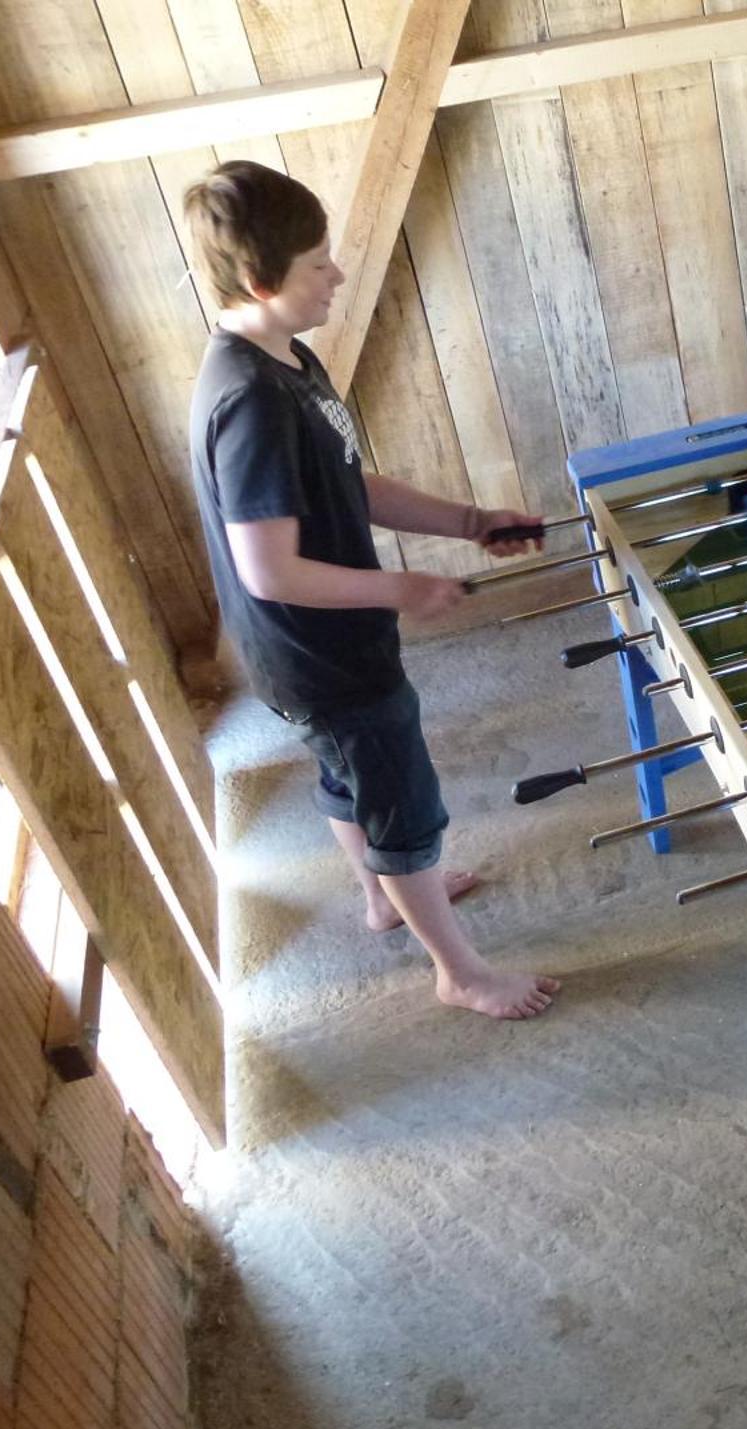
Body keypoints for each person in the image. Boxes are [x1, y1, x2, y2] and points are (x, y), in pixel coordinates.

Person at [184, 160, 560, 1018]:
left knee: (347, 772)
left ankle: (382, 898)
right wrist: (399, 590)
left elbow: (349, 482)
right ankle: (459, 973)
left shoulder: (287, 360)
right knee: (400, 800)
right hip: (321, 656)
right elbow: (268, 569)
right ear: (258, 280)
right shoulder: (248, 402)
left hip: (305, 656)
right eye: (318, 264)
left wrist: (470, 521)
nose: (337, 277)